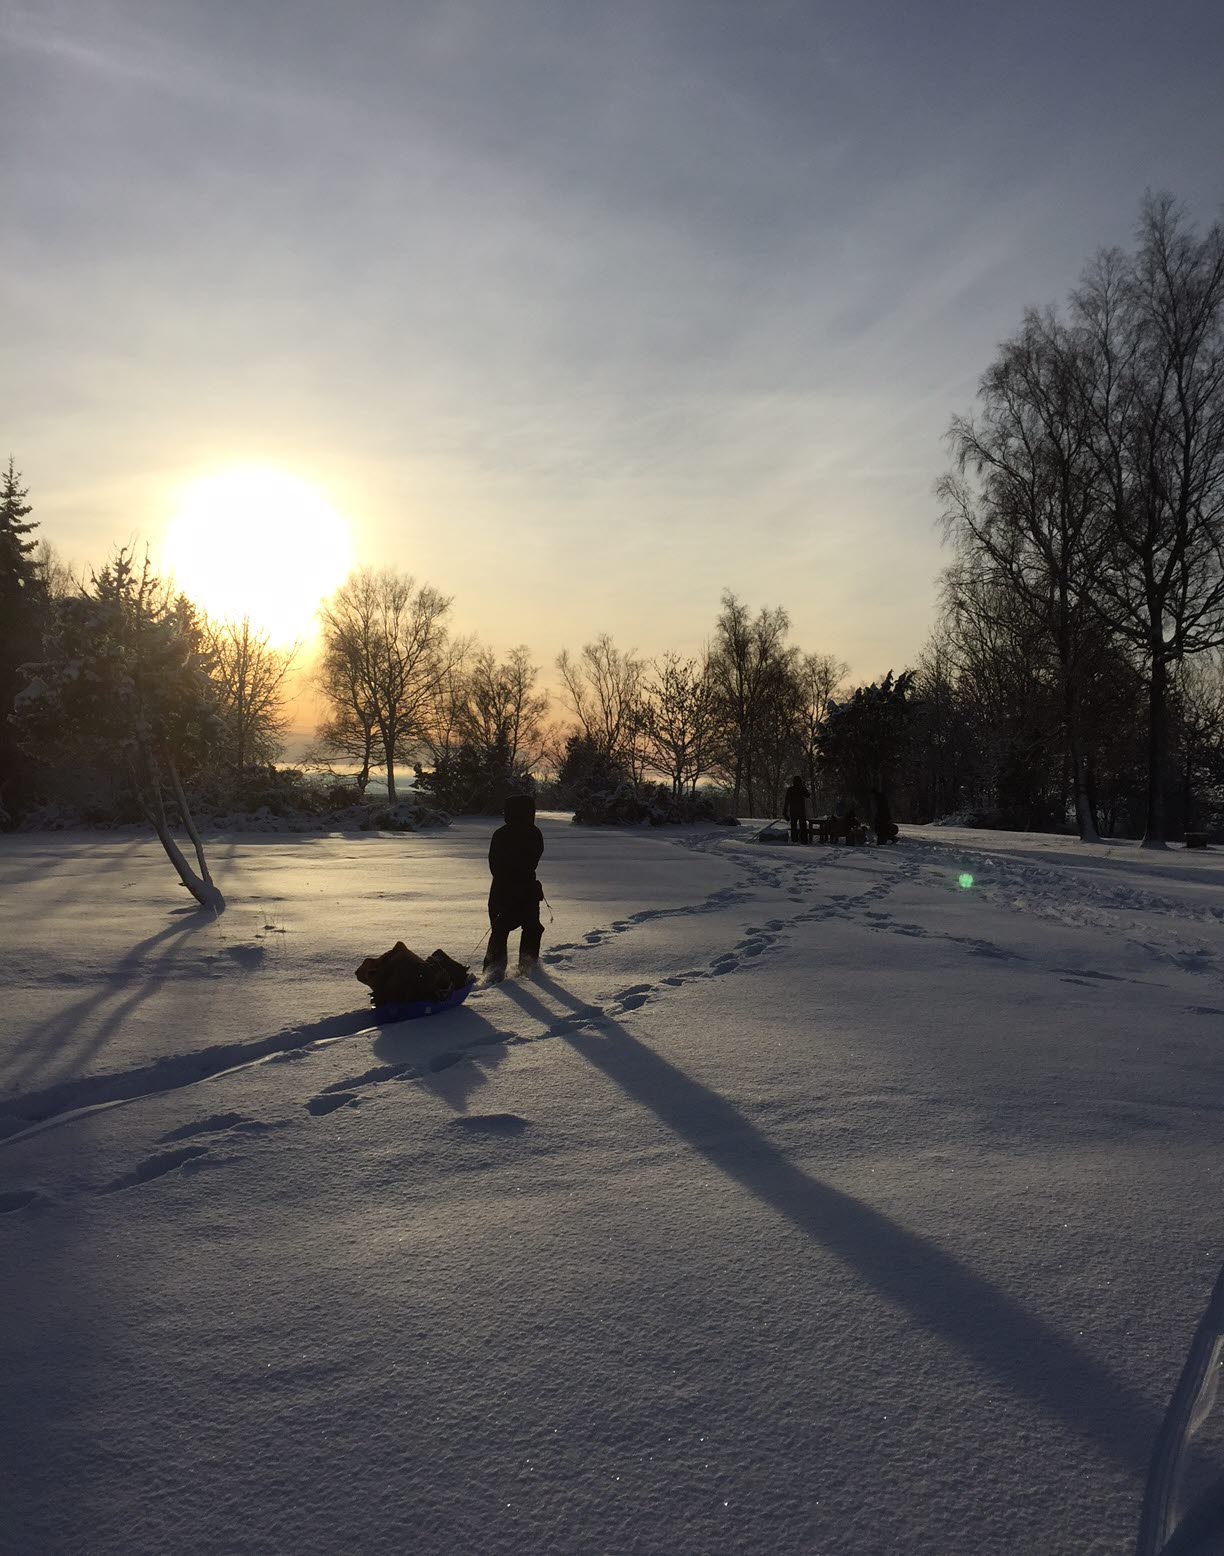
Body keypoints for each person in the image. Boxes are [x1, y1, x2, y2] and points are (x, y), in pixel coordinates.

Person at [483, 793, 545, 980]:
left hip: (505, 890)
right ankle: (526, 968)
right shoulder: (534, 833)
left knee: (501, 931)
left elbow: (494, 865)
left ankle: (495, 973)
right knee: (528, 929)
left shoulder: (502, 834)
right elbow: (531, 861)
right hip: (521, 889)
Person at [782, 774, 811, 844]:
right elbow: (808, 795)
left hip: (793, 810)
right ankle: (803, 840)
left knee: (794, 826)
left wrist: (785, 812)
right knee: (802, 826)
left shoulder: (790, 790)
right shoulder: (802, 789)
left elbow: (786, 801)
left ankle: (794, 840)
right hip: (801, 811)